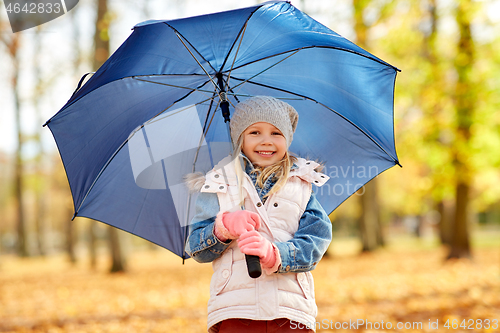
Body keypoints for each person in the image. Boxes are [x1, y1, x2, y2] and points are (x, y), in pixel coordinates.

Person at [185, 96, 332, 333]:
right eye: (254, 132)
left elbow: (316, 241)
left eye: (276, 133)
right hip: (235, 310)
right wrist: (223, 228)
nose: (266, 141)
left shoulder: (301, 185)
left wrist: (275, 254)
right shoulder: (219, 183)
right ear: (239, 139)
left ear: (287, 139)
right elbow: (196, 248)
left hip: (290, 310)